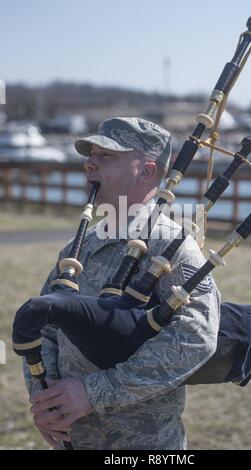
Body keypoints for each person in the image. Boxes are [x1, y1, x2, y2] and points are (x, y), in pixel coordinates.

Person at [24, 117, 221, 450]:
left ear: (146, 171)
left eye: (107, 157)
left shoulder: (170, 245)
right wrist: (45, 400)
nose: (90, 164)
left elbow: (195, 338)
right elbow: (45, 325)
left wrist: (92, 392)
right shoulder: (81, 244)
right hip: (74, 438)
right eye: (91, 155)